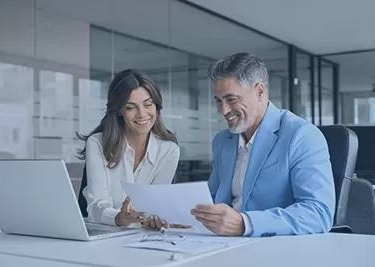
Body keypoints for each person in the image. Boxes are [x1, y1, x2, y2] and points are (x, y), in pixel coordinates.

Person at [191, 53, 335, 237]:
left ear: (259, 91)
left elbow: (319, 212)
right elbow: (210, 200)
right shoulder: (223, 141)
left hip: (276, 248)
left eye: (231, 99)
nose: (223, 110)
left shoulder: (301, 135)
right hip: (222, 244)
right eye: (219, 101)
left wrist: (246, 224)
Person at [77, 69, 180, 230]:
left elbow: (156, 207)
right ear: (119, 110)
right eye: (131, 107)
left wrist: (162, 218)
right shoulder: (97, 143)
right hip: (100, 234)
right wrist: (120, 217)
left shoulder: (169, 150)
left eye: (148, 105)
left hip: (142, 237)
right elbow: (96, 205)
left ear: (157, 106)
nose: (142, 114)